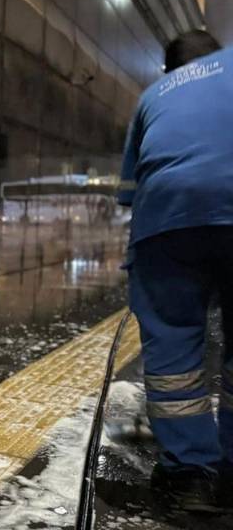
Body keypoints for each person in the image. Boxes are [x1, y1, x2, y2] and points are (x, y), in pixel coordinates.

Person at [117, 29, 233, 513]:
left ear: (170, 69)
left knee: (173, 339)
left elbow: (128, 188)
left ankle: (188, 476)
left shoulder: (153, 94)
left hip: (168, 220)